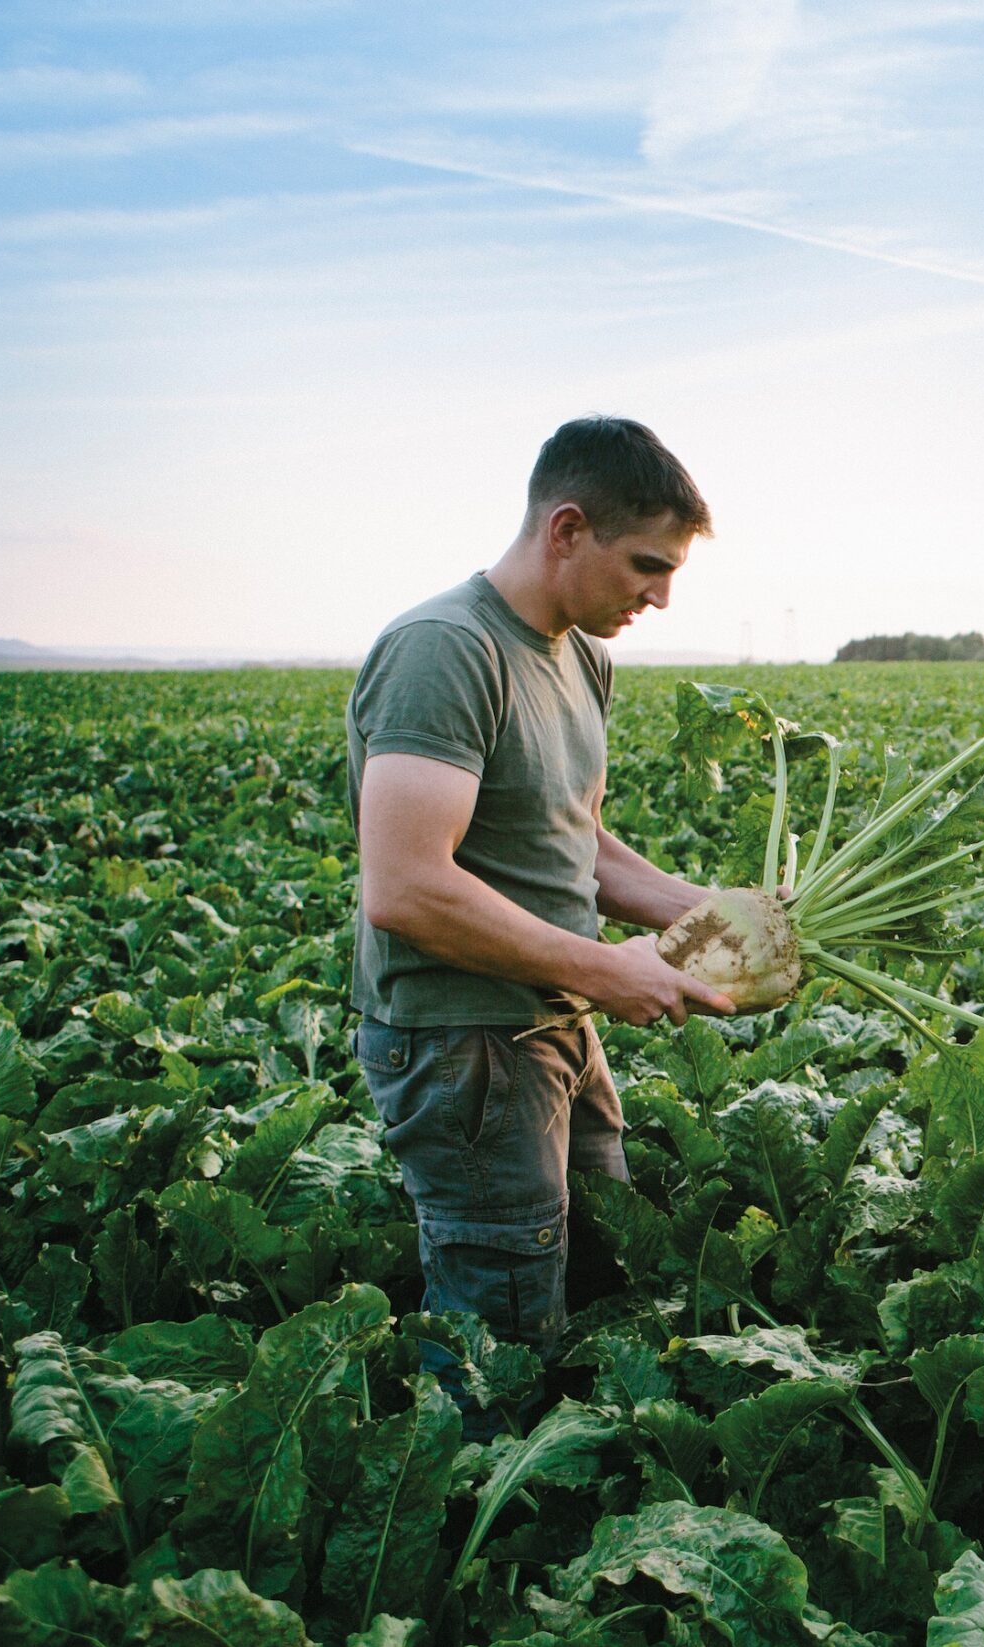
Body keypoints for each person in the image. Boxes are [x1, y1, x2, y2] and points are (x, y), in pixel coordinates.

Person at [345, 416, 744, 1412]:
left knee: (601, 1263)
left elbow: (582, 845)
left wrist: (717, 916)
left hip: (556, 1018)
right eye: (646, 564)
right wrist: (610, 970)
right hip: (463, 1042)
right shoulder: (446, 649)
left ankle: (574, 1507)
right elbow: (405, 888)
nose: (659, 595)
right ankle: (468, 1525)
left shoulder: (579, 656)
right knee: (503, 1323)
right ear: (565, 528)